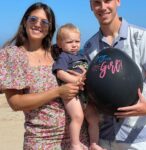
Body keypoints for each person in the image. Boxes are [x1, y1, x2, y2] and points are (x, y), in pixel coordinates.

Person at [0, 2, 89, 150]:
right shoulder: (13, 55)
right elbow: (15, 103)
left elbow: (81, 68)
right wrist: (58, 92)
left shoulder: (58, 52)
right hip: (41, 140)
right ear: (25, 21)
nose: (38, 24)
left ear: (50, 28)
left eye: (44, 21)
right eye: (33, 19)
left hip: (78, 139)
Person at [83, 0, 146, 150]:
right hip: (105, 140)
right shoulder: (89, 47)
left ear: (118, 1)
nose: (103, 7)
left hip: (139, 141)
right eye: (97, 3)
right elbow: (91, 95)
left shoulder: (143, 38)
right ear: (91, 6)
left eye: (107, 1)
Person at [52, 23, 103, 150]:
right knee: (78, 116)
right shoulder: (64, 56)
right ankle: (75, 144)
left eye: (77, 41)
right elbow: (60, 72)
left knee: (94, 118)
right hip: (72, 92)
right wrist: (75, 79)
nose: (74, 45)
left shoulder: (82, 56)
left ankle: (94, 144)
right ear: (60, 43)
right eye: (69, 42)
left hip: (85, 93)